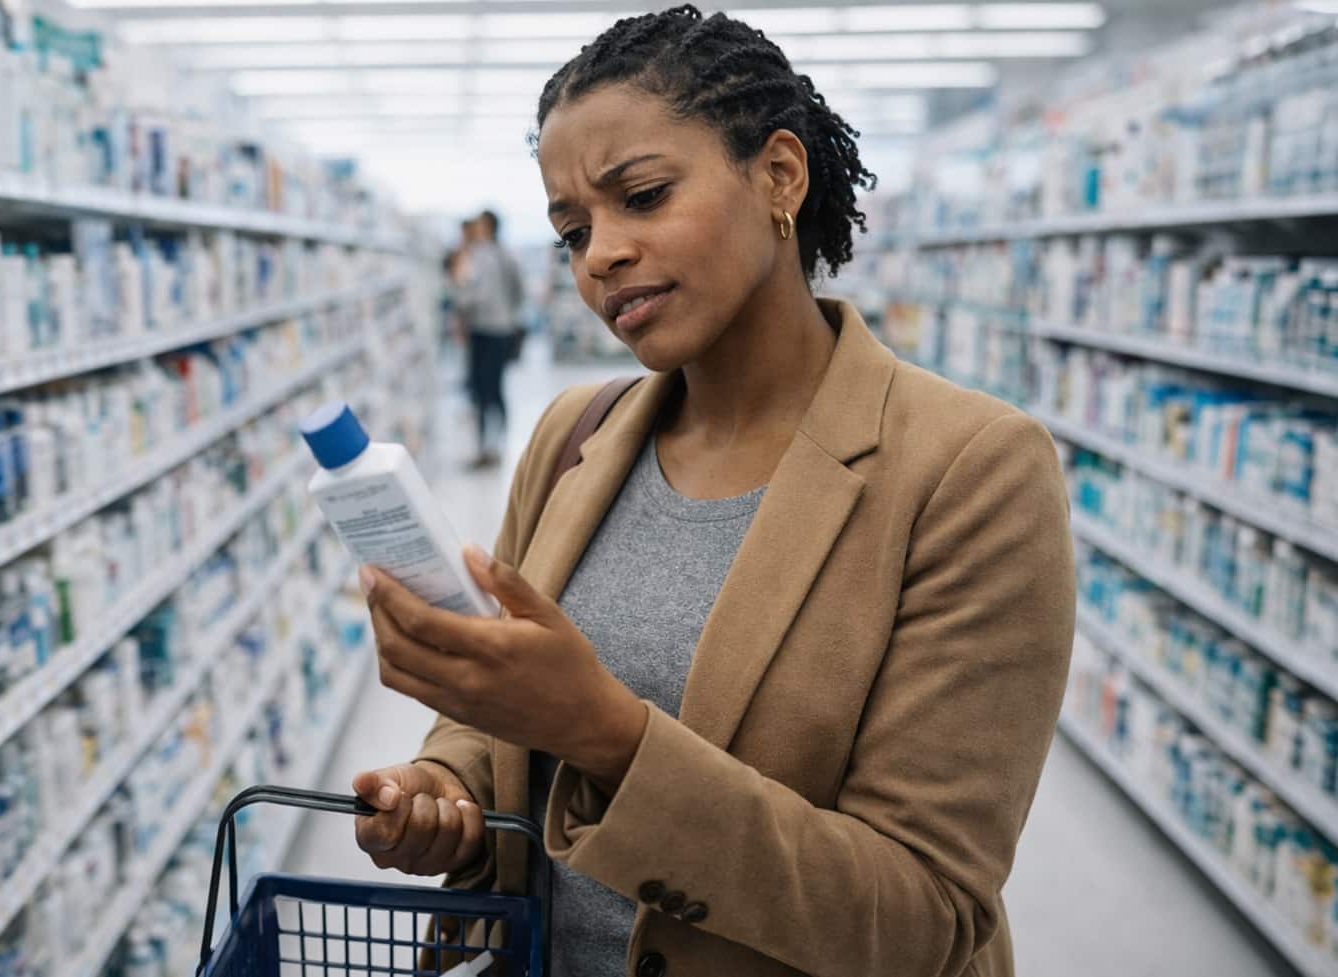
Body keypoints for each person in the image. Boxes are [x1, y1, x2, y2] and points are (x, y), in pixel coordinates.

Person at [348, 7, 1075, 977]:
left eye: (641, 195)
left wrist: (604, 731)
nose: (598, 254)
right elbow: (500, 722)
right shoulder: (575, 435)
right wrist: (446, 783)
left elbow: (920, 918)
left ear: (778, 174)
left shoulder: (969, 470)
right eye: (571, 230)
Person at [456, 209, 526, 469]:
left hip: (483, 329)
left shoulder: (480, 255)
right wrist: (509, 314)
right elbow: (519, 290)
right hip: (503, 329)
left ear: (487, 227)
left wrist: (460, 295)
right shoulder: (507, 255)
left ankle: (486, 448)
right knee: (496, 388)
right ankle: (498, 445)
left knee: (482, 390)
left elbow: (475, 295)